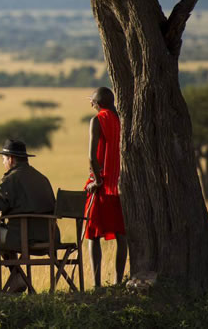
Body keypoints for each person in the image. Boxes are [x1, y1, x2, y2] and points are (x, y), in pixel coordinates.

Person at [0, 139, 57, 294]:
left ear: (11, 159)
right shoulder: (42, 178)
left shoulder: (11, 178)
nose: (3, 163)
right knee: (2, 230)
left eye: (4, 159)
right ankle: (17, 278)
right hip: (49, 237)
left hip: (23, 238)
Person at [84, 87, 127, 286]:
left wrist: (97, 181)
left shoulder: (97, 120)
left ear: (98, 103)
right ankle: (119, 282)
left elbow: (92, 157)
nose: (90, 103)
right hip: (121, 185)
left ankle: (97, 284)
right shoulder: (122, 119)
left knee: (93, 234)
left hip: (103, 185)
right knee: (122, 234)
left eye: (91, 100)